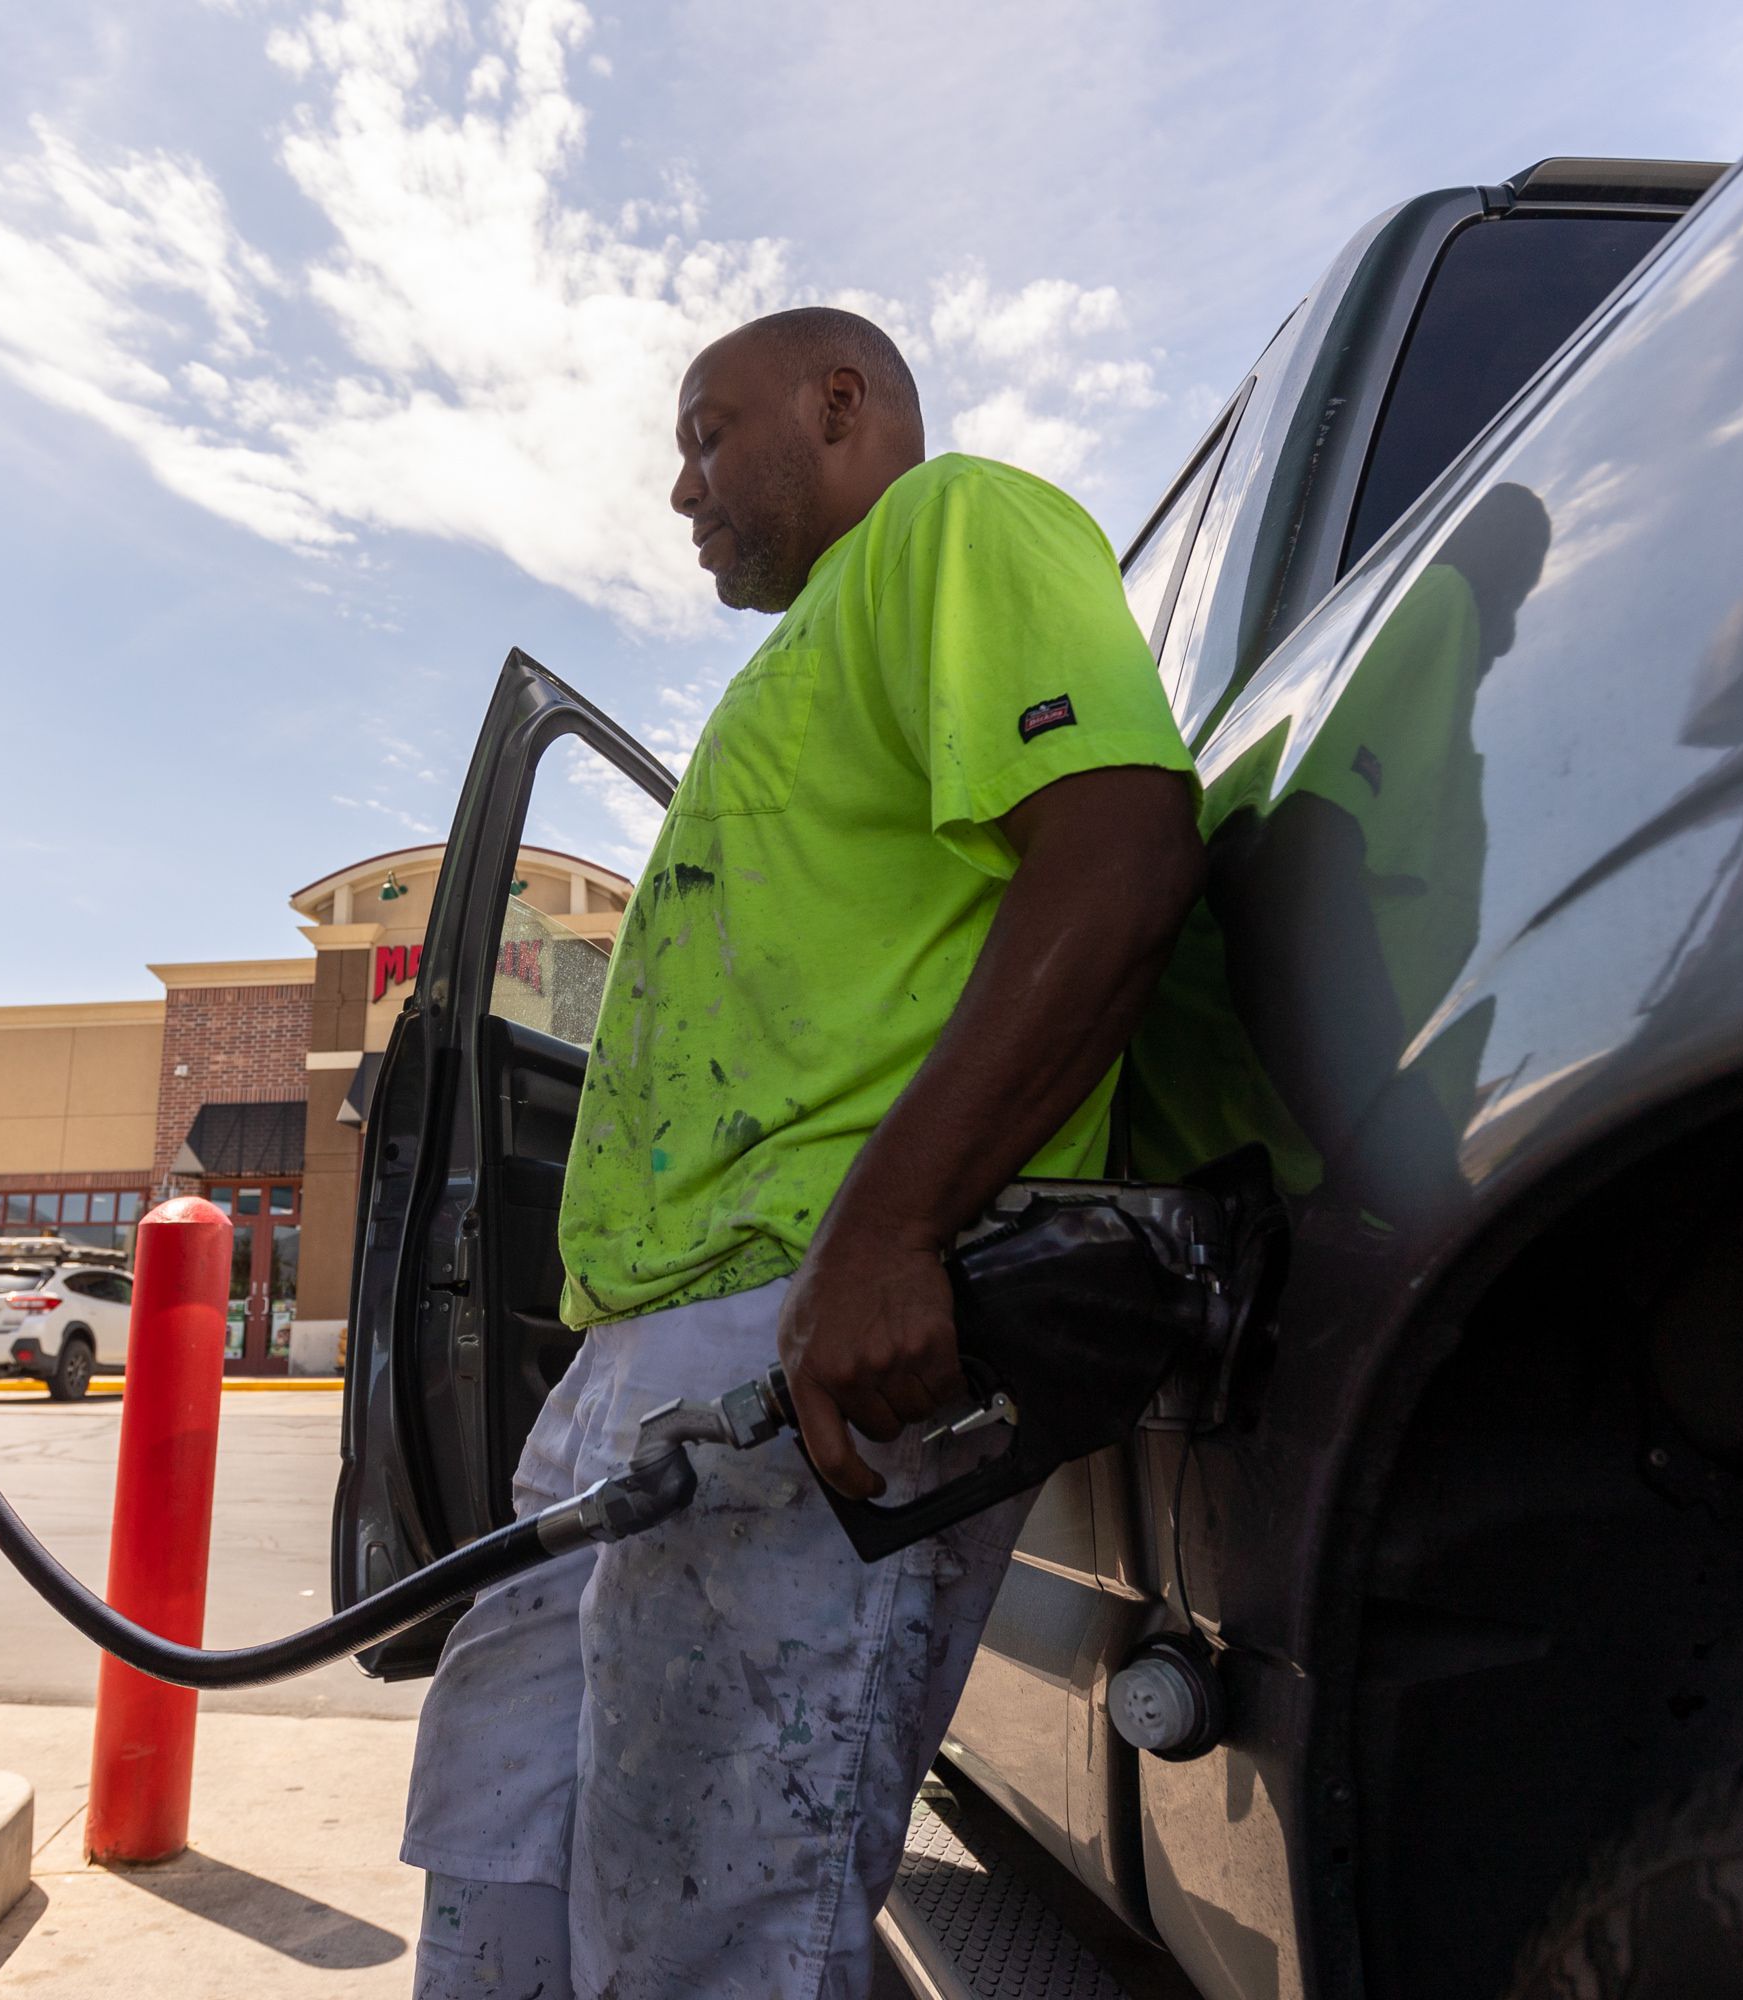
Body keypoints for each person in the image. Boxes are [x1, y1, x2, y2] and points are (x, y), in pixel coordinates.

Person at [406, 307, 1204, 1999]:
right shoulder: (798, 659)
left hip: (794, 1334)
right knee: (510, 1835)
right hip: (653, 1358)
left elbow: (1120, 848)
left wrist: (885, 1240)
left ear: (841, 406)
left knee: (713, 1915)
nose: (681, 483)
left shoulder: (955, 527)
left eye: (709, 433)